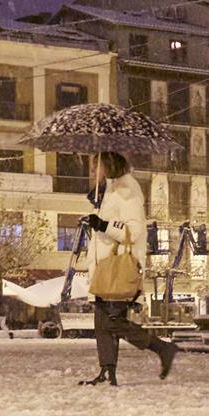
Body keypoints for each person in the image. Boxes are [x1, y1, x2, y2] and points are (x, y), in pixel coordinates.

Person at [80, 150, 175, 386]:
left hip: (118, 268)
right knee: (102, 324)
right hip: (104, 269)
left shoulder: (127, 191)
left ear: (109, 166)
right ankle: (107, 371)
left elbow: (134, 231)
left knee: (113, 322)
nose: (93, 171)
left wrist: (102, 224)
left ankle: (162, 348)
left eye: (96, 166)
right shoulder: (108, 194)